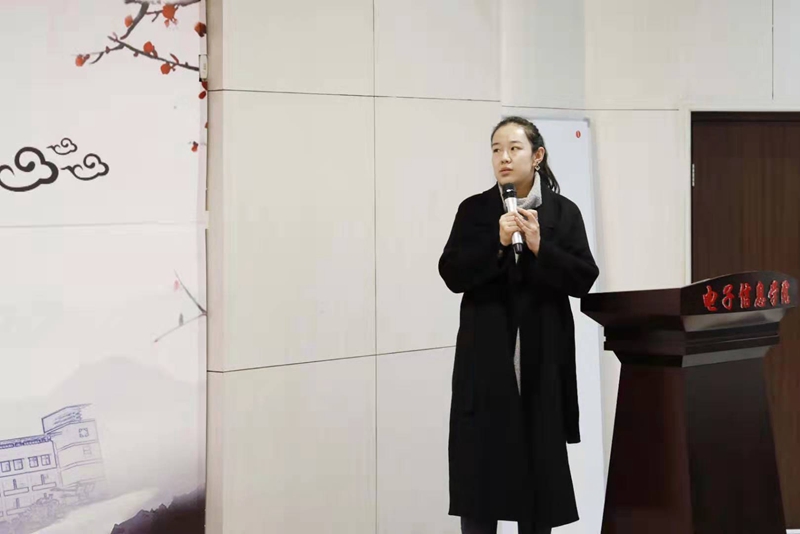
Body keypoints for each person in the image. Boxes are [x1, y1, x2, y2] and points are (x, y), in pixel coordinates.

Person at [438, 116, 599, 534]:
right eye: (496, 149)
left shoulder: (563, 213)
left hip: (541, 365)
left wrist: (541, 246)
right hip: (486, 367)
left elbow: (584, 278)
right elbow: (452, 273)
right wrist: (496, 242)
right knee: (481, 479)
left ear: (537, 155)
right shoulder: (475, 210)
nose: (503, 158)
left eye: (513, 148)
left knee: (538, 484)